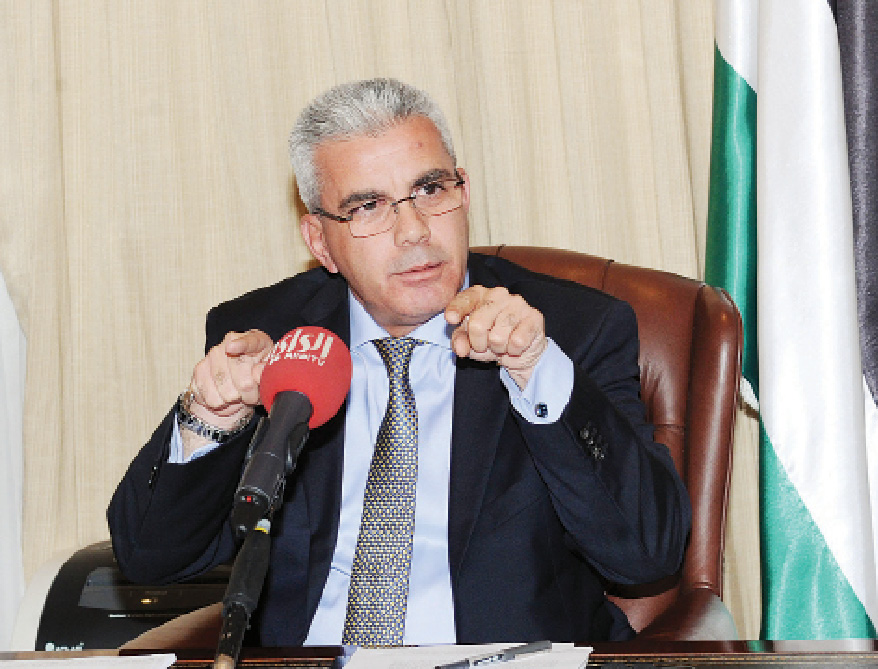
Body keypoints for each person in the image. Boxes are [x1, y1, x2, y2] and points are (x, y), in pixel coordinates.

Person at [107, 78, 691, 647]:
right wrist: (212, 420)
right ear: (319, 241)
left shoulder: (569, 329)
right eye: (367, 206)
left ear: (463, 191)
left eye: (430, 190)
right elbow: (154, 557)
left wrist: (535, 370)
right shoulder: (274, 335)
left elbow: (647, 554)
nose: (413, 231)